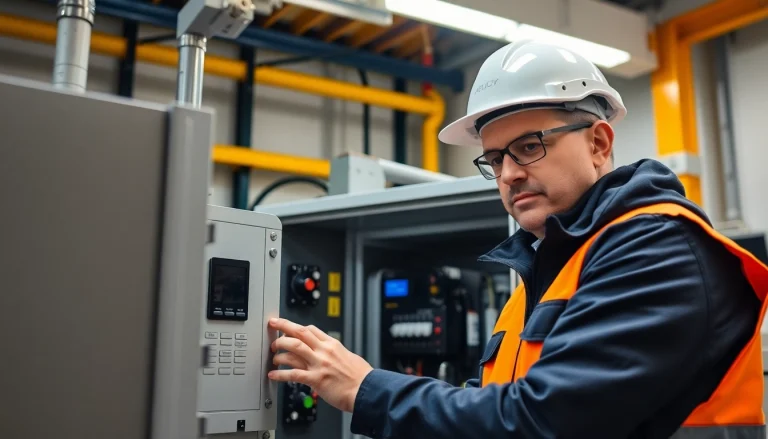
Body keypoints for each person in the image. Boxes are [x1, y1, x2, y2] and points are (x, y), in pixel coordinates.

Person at [267, 40, 768, 438]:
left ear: (598, 143)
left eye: (528, 147)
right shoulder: (552, 267)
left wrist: (367, 389)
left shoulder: (658, 250)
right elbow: (494, 396)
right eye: (495, 158)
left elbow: (541, 421)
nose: (508, 174)